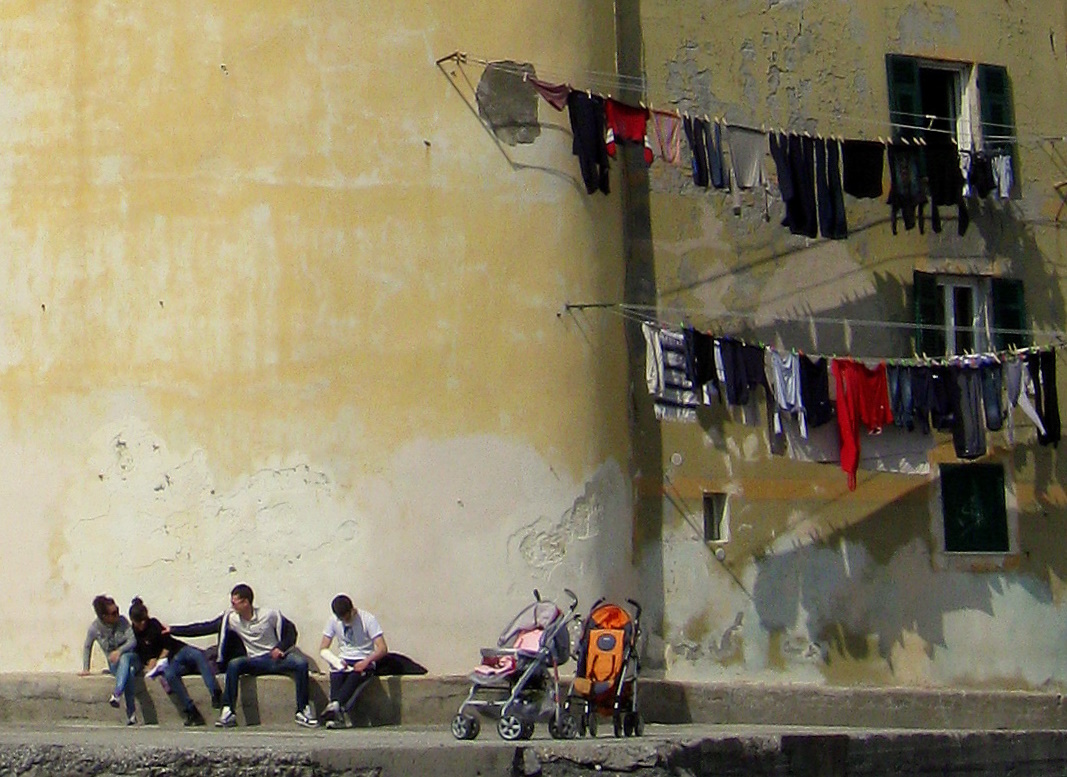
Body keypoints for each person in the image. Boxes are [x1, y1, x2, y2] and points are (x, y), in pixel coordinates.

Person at [168, 583, 316, 728]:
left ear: (246, 602)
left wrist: (280, 648)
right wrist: (173, 630)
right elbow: (204, 627)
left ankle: (303, 711)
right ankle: (228, 712)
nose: (232, 606)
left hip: (274, 659)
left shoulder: (269, 615)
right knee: (235, 665)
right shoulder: (231, 618)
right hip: (253, 661)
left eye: (235, 603)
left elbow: (291, 632)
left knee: (300, 663)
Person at [127, 597, 222, 726]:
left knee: (198, 655)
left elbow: (167, 644)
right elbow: (143, 654)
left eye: (144, 621)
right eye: (140, 622)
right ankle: (190, 710)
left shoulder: (154, 624)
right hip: (170, 663)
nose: (143, 624)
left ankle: (215, 692)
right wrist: (151, 662)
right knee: (170, 676)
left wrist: (160, 658)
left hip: (178, 650)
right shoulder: (134, 634)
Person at [318, 594, 387, 729]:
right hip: (344, 660)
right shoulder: (333, 621)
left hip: (364, 660)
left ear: (352, 610)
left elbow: (383, 648)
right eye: (341, 619)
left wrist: (366, 661)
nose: (345, 621)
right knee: (337, 673)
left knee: (354, 676)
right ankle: (336, 710)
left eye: (347, 617)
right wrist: (335, 660)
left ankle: (335, 706)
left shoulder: (367, 619)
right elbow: (323, 648)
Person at [79, 594, 140, 725]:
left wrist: (120, 651)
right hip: (116, 665)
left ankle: (117, 694)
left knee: (126, 659)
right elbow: (87, 646)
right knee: (129, 671)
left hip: (132, 657)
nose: (117, 614)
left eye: (117, 610)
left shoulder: (123, 622)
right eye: (113, 612)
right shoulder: (95, 628)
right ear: (104, 616)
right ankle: (131, 715)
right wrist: (86, 668)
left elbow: (132, 641)